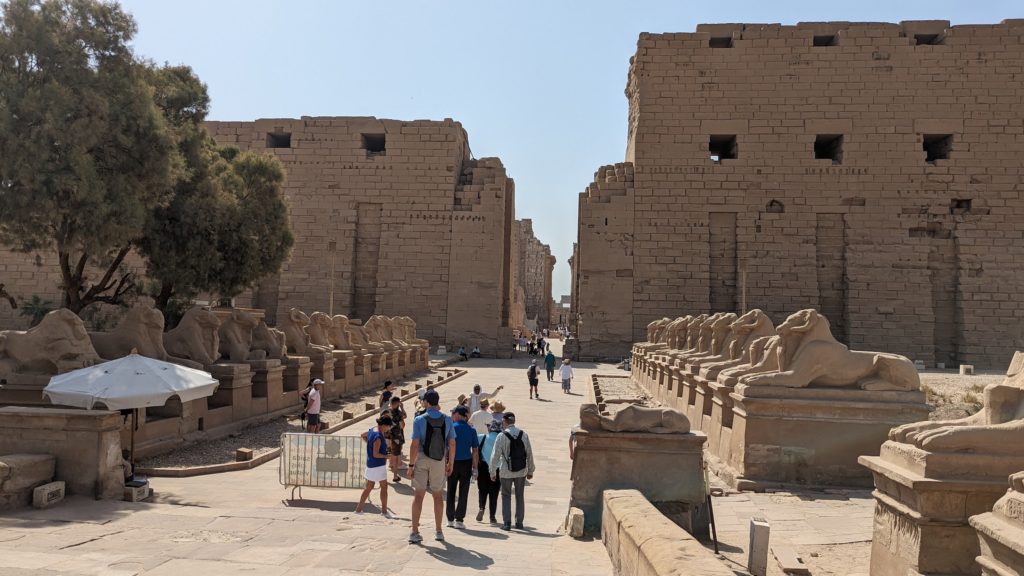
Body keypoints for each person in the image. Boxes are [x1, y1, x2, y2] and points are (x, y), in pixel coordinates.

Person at [408, 389, 456, 544]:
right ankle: (439, 531)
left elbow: (414, 444)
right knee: (437, 496)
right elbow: (452, 442)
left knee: (418, 496)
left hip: (422, 458)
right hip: (439, 460)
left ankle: (414, 531)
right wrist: (450, 463)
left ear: (426, 402)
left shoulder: (419, 419)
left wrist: (410, 465)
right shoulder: (447, 419)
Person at [489, 412, 535, 530]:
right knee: (520, 496)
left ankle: (507, 523)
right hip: (521, 470)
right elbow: (529, 453)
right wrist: (530, 470)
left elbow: (495, 455)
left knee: (506, 495)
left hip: (506, 471)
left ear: (504, 421)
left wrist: (492, 472)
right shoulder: (523, 435)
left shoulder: (501, 436)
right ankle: (519, 522)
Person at [446, 405, 479, 529]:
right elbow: (475, 450)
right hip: (466, 462)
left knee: (451, 490)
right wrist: (475, 468)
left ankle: (450, 519)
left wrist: (446, 462)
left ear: (459, 415)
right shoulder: (472, 430)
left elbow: (446, 447)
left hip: (452, 462)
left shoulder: (451, 428)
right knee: (463, 491)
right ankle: (459, 519)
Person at [356, 414, 394, 518]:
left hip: (371, 464)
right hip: (378, 465)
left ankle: (358, 509)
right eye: (389, 426)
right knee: (384, 487)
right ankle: (384, 511)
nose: (389, 428)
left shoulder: (372, 430)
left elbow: (362, 435)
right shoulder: (378, 436)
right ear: (384, 425)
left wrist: (369, 444)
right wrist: (386, 456)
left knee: (369, 487)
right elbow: (376, 454)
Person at [476, 420, 502, 523]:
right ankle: (492, 516)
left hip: (483, 467)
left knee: (482, 490)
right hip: (497, 468)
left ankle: (481, 507)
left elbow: (474, 451)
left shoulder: (481, 437)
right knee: (494, 493)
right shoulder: (501, 440)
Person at [387, 396, 407, 482]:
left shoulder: (387, 412)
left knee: (388, 454)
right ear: (398, 403)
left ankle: (388, 466)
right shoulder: (399, 413)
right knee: (396, 456)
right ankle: (395, 476)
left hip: (387, 436)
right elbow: (403, 425)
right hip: (396, 437)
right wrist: (402, 408)